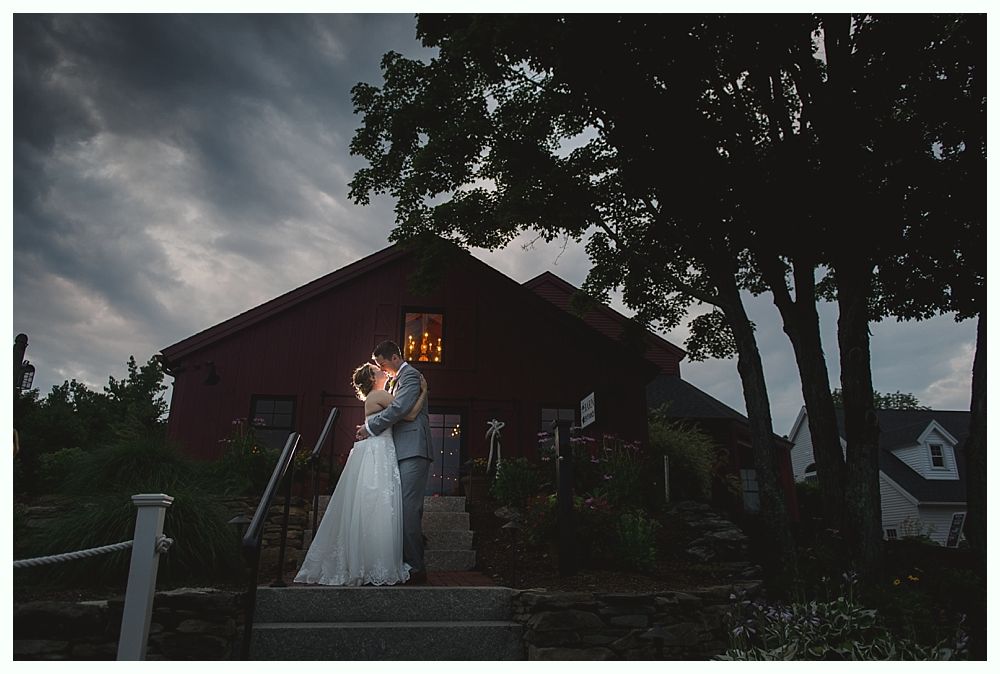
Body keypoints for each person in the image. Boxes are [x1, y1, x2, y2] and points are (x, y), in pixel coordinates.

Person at [294, 362, 427, 586]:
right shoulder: (380, 395)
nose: (381, 370)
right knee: (379, 506)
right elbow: (410, 413)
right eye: (376, 370)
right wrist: (423, 392)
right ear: (372, 378)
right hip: (380, 453)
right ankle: (374, 562)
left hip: (380, 451)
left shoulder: (378, 396)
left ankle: (369, 560)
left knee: (375, 507)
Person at [356, 340, 434, 585]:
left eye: (382, 363)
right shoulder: (394, 382)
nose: (382, 368)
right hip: (397, 451)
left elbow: (401, 410)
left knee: (409, 510)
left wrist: (371, 427)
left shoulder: (410, 376)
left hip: (413, 450)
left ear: (394, 358)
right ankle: (403, 561)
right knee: (398, 509)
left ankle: (416, 568)